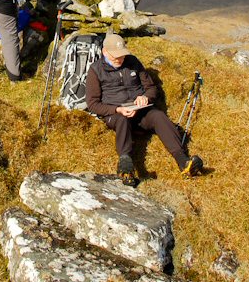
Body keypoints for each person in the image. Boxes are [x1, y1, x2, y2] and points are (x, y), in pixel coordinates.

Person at [85, 33, 203, 184]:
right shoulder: (95, 70)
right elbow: (93, 104)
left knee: (159, 116)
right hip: (116, 113)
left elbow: (151, 88)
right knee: (122, 120)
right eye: (116, 56)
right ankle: (126, 168)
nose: (120, 59)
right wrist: (117, 110)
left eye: (122, 55)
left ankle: (184, 162)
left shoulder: (133, 61)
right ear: (104, 52)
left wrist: (146, 97)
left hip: (141, 111)